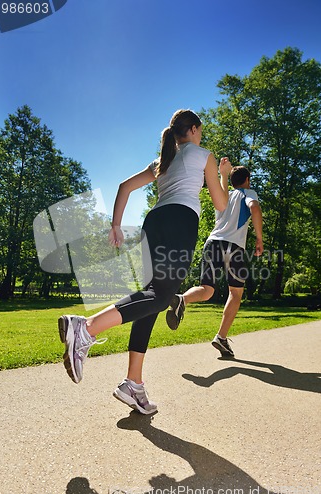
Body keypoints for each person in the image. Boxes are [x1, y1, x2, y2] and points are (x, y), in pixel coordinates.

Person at [58, 109, 232, 414]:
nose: (201, 136)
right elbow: (221, 204)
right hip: (181, 221)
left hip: (154, 222)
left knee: (153, 297)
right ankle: (85, 328)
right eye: (200, 131)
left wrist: (115, 225)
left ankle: (133, 383)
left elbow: (124, 186)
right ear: (193, 129)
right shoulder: (204, 154)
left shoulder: (161, 161)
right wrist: (223, 176)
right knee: (161, 296)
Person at [166, 166, 263, 357]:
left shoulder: (223, 198)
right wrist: (259, 238)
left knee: (207, 289)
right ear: (247, 179)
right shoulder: (248, 193)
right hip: (233, 247)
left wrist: (223, 174)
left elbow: (223, 188)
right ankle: (221, 337)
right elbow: (255, 208)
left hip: (212, 244)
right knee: (235, 293)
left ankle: (181, 299)